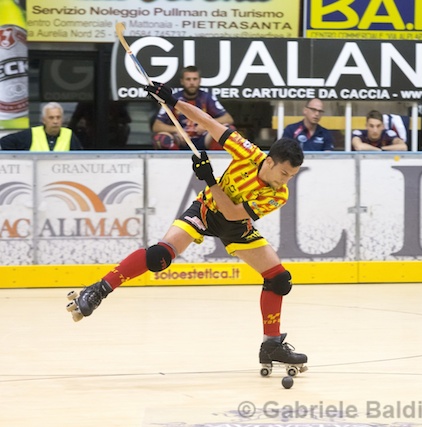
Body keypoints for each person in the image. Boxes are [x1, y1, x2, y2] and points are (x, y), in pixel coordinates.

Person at [66, 80, 307, 375]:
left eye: (291, 176)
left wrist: (210, 179)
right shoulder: (248, 153)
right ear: (269, 162)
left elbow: (233, 214)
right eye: (284, 173)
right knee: (159, 256)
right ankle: (98, 290)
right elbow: (208, 121)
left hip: (235, 224)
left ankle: (271, 345)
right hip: (205, 212)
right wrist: (172, 101)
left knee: (279, 279)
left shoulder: (279, 195)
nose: (285, 181)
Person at [151, 65, 234, 151]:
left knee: (228, 131)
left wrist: (207, 124)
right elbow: (156, 126)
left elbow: (228, 119)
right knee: (160, 139)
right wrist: (177, 130)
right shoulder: (172, 99)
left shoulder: (207, 97)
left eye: (195, 79)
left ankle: (215, 159)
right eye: (188, 79)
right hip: (181, 139)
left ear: (199, 80)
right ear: (182, 81)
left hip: (204, 138)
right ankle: (175, 159)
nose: (192, 83)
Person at [0, 102, 83, 151]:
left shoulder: (69, 134)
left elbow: (80, 158)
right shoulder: (31, 134)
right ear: (43, 120)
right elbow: (4, 142)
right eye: (51, 118)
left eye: (58, 117)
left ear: (62, 119)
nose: (55, 121)